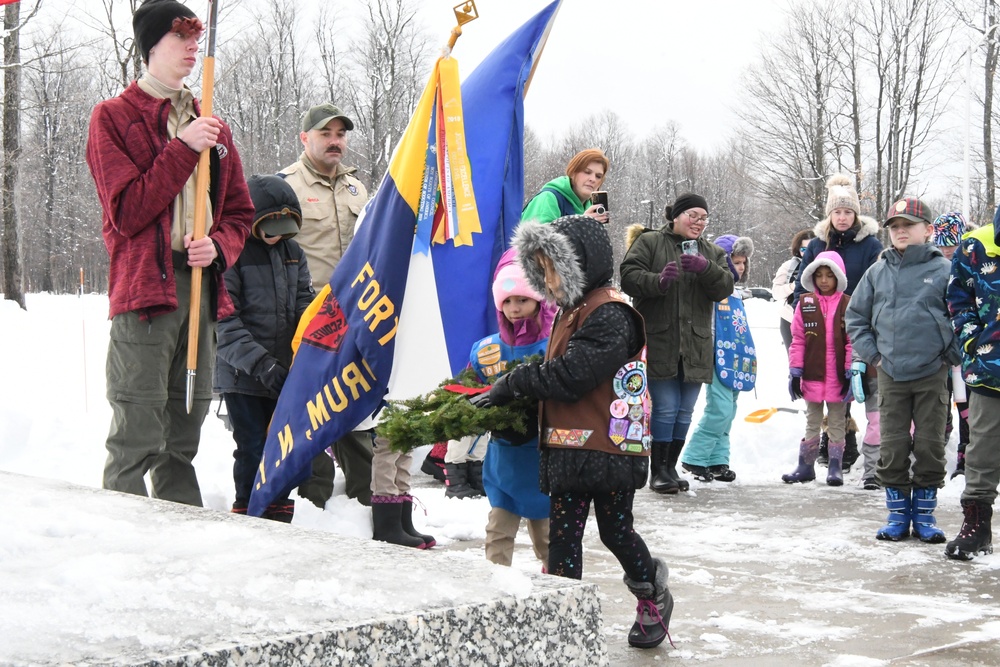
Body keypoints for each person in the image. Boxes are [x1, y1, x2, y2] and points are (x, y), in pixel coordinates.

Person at [470, 215, 673, 649]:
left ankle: (651, 591)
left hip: (613, 444)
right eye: (541, 269)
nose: (548, 277)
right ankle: (563, 621)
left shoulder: (612, 312)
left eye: (552, 266)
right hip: (569, 443)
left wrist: (513, 383)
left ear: (581, 262)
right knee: (563, 537)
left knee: (615, 531)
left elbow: (574, 373)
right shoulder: (570, 310)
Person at [85, 0, 253, 506]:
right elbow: (127, 211)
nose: (192, 49)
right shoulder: (114, 117)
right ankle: (123, 534)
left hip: (200, 287)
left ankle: (182, 527)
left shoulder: (213, 128)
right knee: (139, 420)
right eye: (182, 39)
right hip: (145, 291)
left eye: (196, 40)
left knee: (186, 422)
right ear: (152, 45)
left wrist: (218, 247)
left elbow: (240, 214)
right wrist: (181, 148)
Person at [846, 197, 960, 543]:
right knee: (893, 445)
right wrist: (875, 357)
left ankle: (924, 516)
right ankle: (897, 516)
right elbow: (856, 318)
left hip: (932, 374)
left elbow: (962, 315)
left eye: (907, 225)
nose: (900, 231)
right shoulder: (877, 271)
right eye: (894, 227)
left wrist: (948, 356)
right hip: (891, 375)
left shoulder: (944, 271)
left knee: (930, 446)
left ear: (927, 230)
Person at [279, 102, 372, 507]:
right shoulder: (286, 186)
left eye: (340, 134)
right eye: (325, 134)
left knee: (354, 399)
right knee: (312, 405)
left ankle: (364, 495)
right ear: (305, 138)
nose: (335, 142)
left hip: (355, 311)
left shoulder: (358, 189)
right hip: (307, 315)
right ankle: (314, 497)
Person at [214, 175, 315, 522]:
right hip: (243, 374)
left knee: (284, 442)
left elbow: (304, 302)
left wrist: (315, 336)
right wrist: (261, 365)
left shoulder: (293, 254)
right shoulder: (232, 254)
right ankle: (248, 505)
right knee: (252, 445)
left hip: (284, 372)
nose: (277, 237)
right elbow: (224, 323)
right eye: (270, 228)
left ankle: (279, 504)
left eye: (285, 229)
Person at [620, 194, 734, 492]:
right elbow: (628, 277)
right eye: (693, 215)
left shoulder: (711, 251)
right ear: (676, 216)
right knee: (666, 408)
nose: (698, 222)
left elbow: (725, 285)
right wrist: (657, 281)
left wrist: (705, 268)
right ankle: (657, 471)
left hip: (695, 344)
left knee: (685, 410)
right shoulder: (649, 242)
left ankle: (670, 468)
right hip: (660, 340)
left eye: (703, 218)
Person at [794, 175, 883, 486]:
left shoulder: (871, 245)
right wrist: (806, 313)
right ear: (829, 215)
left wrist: (861, 315)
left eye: (848, 212)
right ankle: (831, 449)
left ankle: (861, 452)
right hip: (821, 327)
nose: (843, 217)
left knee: (856, 389)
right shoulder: (818, 245)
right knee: (822, 388)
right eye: (837, 212)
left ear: (856, 215)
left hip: (860, 326)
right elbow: (800, 285)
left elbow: (879, 283)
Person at [470, 248, 555, 567]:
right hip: (504, 458)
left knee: (547, 537)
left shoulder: (553, 346)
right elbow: (467, 387)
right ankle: (495, 587)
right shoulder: (489, 349)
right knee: (498, 531)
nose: (514, 308)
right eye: (506, 301)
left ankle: (557, 589)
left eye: (522, 299)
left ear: (538, 299)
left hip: (542, 456)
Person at [944, 205, 1000, 560]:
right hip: (990, 367)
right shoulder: (974, 245)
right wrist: (971, 342)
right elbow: (958, 299)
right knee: (982, 448)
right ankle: (977, 527)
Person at [680, 235, 756, 483]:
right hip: (716, 354)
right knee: (719, 409)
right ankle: (694, 457)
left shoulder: (736, 294)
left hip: (735, 358)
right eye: (736, 261)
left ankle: (717, 460)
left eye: (744, 263)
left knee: (730, 410)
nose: (741, 267)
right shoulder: (712, 289)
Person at [782, 251, 853, 486]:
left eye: (829, 276)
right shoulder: (805, 303)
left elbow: (852, 340)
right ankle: (806, 466)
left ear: (838, 277)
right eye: (819, 275)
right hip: (812, 375)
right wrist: (795, 371)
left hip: (837, 377)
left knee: (837, 421)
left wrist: (850, 370)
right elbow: (798, 339)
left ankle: (835, 467)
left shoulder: (847, 304)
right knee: (812, 420)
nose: (824, 280)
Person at [932, 211, 971, 479]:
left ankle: (965, 456)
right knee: (939, 402)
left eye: (952, 245)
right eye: (942, 245)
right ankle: (939, 441)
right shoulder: (932, 267)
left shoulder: (971, 263)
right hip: (936, 348)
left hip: (965, 348)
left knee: (965, 403)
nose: (947, 251)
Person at [521, 148, 610, 224]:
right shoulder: (548, 199)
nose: (593, 179)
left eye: (598, 176)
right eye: (587, 172)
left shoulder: (591, 209)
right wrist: (582, 225)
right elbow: (536, 242)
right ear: (573, 172)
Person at [772, 229, 815, 351]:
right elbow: (776, 292)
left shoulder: (825, 265)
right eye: (803, 249)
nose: (807, 253)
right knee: (796, 363)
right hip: (790, 318)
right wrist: (793, 286)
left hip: (819, 320)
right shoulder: (789, 266)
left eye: (811, 249)